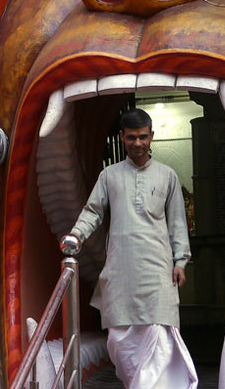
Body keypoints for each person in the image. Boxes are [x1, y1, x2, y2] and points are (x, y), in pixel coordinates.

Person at [61, 108, 196, 389]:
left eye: (143, 137)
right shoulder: (109, 176)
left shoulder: (167, 176)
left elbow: (177, 223)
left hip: (158, 272)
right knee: (120, 342)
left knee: (158, 341)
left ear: (152, 137)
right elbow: (93, 211)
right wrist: (76, 234)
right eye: (132, 137)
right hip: (120, 272)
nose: (138, 143)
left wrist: (180, 260)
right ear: (122, 137)